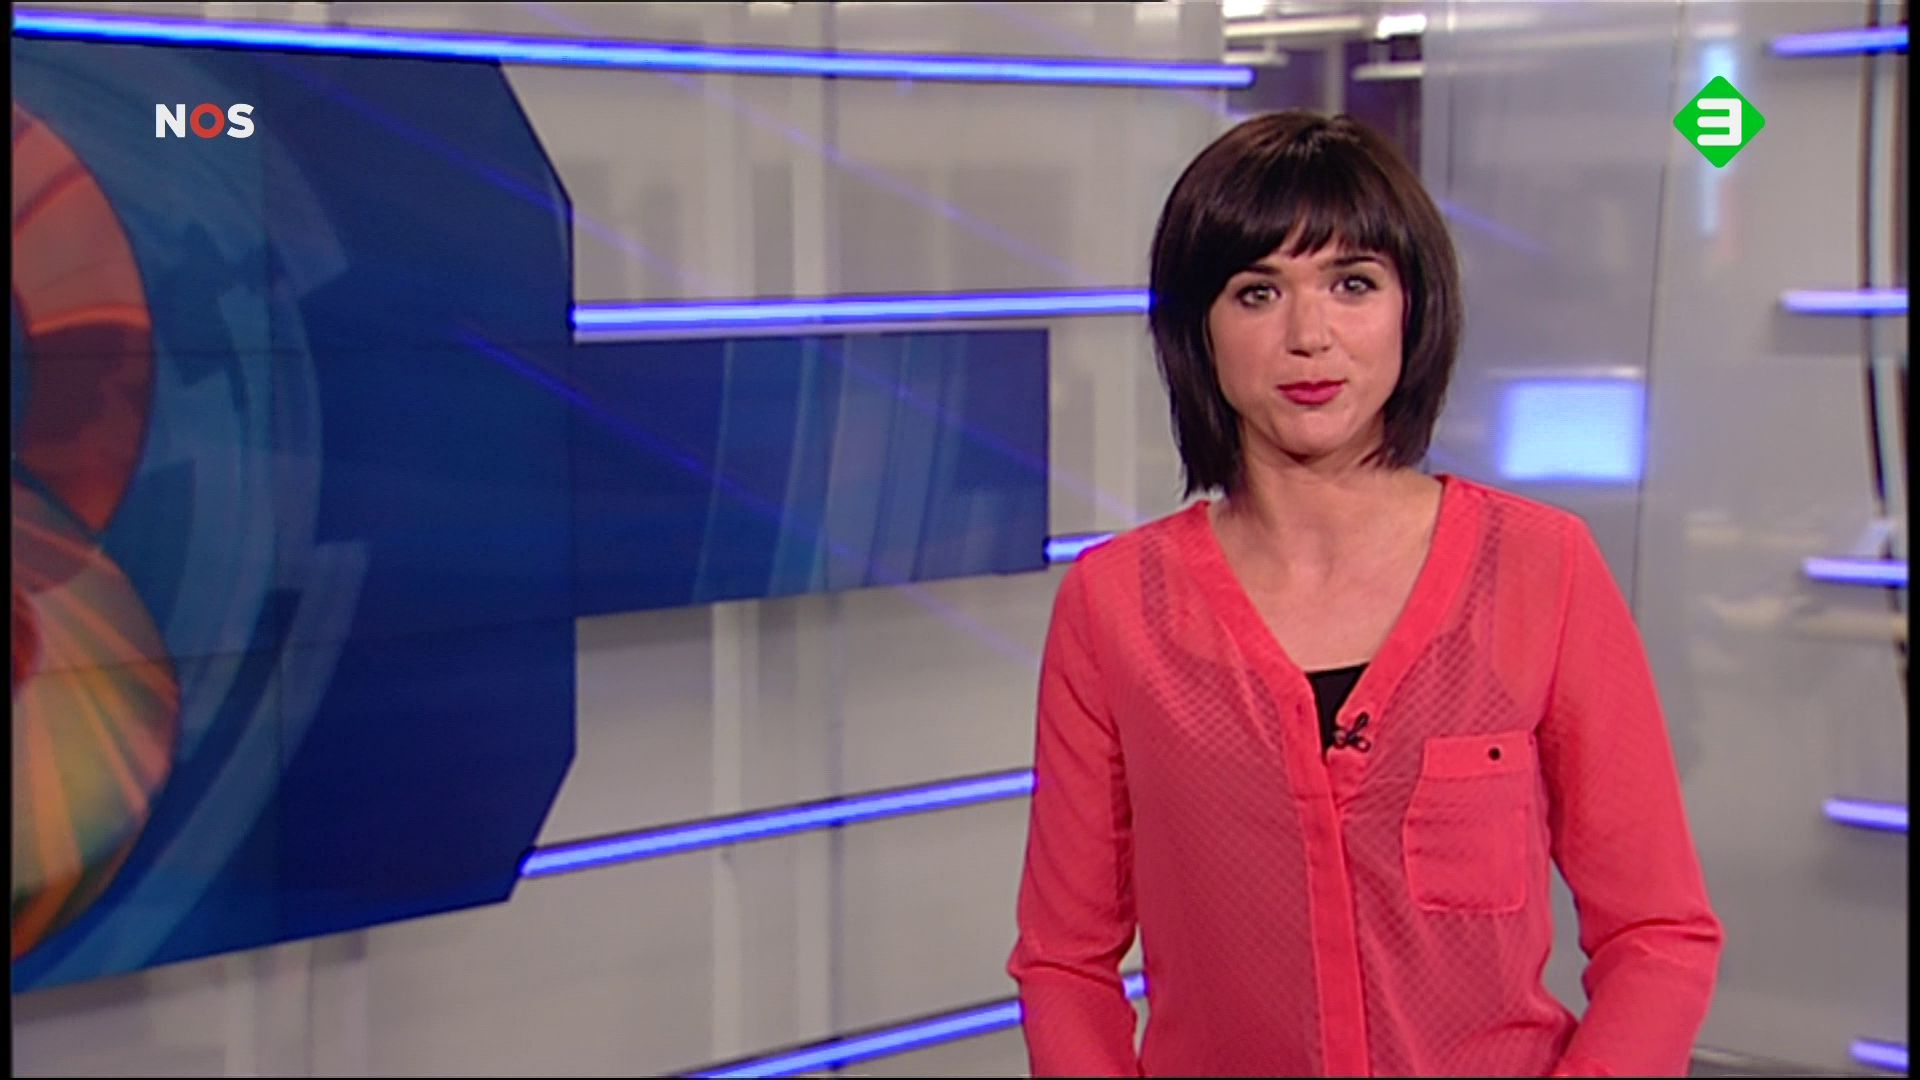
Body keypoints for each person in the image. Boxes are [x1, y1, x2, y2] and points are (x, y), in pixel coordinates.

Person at [1006, 110, 1722, 1078]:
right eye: (1258, 292)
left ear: (1412, 308)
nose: (1310, 337)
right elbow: (1064, 961)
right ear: (1197, 331)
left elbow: (1658, 933)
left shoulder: (1539, 565)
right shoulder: (1116, 605)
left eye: (1352, 283)